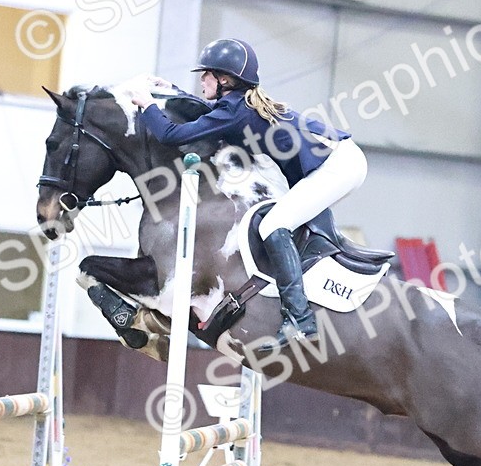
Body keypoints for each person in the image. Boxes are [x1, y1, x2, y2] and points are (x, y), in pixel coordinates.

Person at [129, 38, 368, 348]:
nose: (202, 80)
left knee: (272, 225)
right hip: (341, 160)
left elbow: (171, 135)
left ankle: (300, 319)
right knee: (281, 220)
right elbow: (207, 115)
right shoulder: (236, 105)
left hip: (338, 166)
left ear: (225, 80)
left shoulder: (235, 111)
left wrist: (147, 105)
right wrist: (171, 89)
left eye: (207, 75)